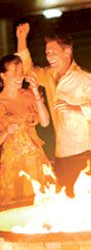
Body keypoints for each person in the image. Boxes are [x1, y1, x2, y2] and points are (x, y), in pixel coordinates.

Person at [16, 22, 91, 196]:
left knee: (84, 202)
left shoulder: (83, 78)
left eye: (54, 52)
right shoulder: (49, 75)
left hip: (82, 153)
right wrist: (21, 39)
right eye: (47, 53)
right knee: (65, 204)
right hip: (60, 155)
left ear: (67, 52)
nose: (49, 57)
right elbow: (27, 69)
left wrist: (73, 108)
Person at [0, 54, 53, 207]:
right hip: (11, 165)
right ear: (3, 75)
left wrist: (36, 92)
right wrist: (6, 132)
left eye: (21, 72)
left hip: (35, 160)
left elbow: (45, 122)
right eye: (14, 73)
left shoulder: (29, 95)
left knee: (38, 202)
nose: (19, 76)